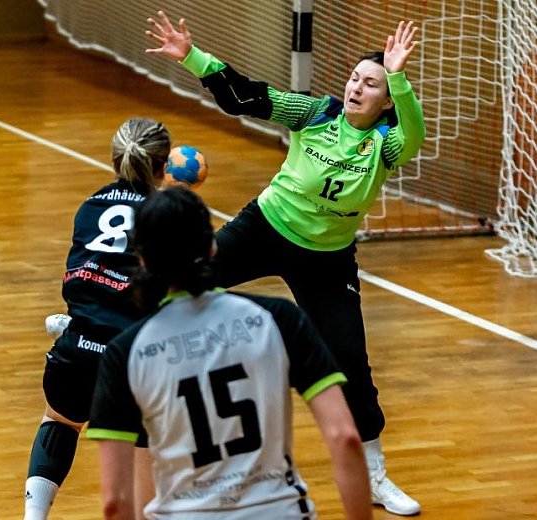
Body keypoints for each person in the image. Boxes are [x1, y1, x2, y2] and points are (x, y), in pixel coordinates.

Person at [145, 10, 426, 516]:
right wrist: (191, 55)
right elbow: (247, 96)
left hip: (327, 258)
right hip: (266, 228)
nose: (359, 88)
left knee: (350, 364)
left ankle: (377, 476)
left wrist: (399, 75)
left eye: (372, 84)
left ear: (387, 100)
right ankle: (89, 321)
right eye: (356, 78)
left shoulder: (386, 145)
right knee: (178, 272)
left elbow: (416, 131)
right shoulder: (317, 113)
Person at [87, 186, 372, 519]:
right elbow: (345, 436)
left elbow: (115, 502)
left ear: (143, 259)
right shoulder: (279, 320)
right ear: (212, 246)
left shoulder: (126, 352)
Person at [23, 117, 171, 520]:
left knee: (60, 419)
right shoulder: (166, 213)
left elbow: (83, 274)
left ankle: (33, 517)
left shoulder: (90, 206)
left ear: (114, 162)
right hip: (135, 358)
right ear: (162, 167)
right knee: (144, 462)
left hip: (78, 347)